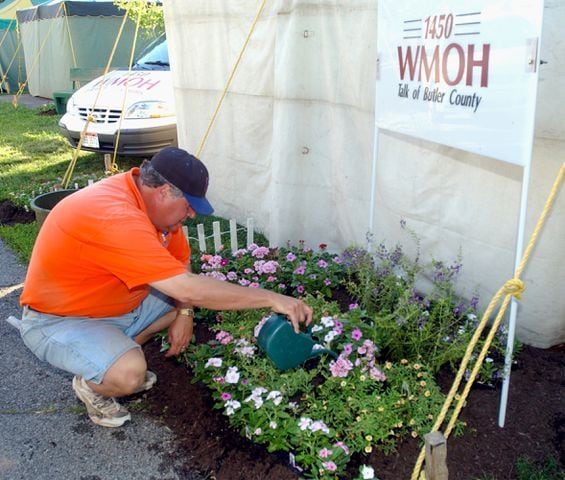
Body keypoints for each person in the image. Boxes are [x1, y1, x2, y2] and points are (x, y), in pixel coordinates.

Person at [19, 146, 312, 428]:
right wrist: (272, 298)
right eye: (190, 206)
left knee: (176, 303)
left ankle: (114, 350)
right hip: (59, 319)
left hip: (113, 305)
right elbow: (187, 288)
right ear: (163, 192)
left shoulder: (155, 211)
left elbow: (181, 264)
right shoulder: (114, 216)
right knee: (131, 374)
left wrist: (184, 314)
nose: (193, 215)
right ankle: (96, 381)